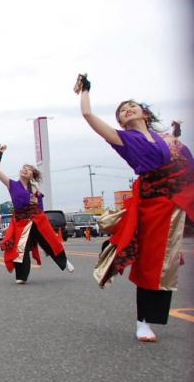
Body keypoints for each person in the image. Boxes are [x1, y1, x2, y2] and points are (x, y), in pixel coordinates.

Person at [76, 74, 194, 341]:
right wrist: (85, 90)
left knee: (167, 263)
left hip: (180, 201)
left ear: (144, 113)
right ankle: (144, 321)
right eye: (122, 111)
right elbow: (88, 115)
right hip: (153, 208)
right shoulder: (123, 139)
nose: (127, 109)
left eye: (132, 106)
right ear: (120, 122)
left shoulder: (168, 139)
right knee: (153, 264)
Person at [0, 144, 74, 284]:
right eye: (23, 168)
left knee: (49, 241)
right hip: (21, 222)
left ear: (32, 175)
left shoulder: (34, 188)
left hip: (37, 219)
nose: (25, 170)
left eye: (28, 169)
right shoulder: (12, 184)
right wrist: (0, 154)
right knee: (21, 248)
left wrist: (36, 200)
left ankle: (64, 261)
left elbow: (40, 207)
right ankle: (21, 276)